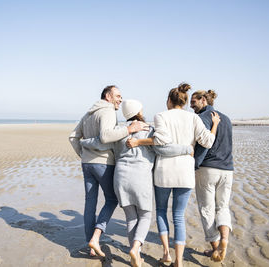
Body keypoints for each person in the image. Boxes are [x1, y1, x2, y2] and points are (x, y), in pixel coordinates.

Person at [80, 99, 193, 267]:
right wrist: (187, 149)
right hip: (141, 178)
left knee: (131, 217)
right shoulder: (148, 130)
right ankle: (135, 248)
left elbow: (100, 143)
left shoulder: (119, 131)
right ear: (140, 111)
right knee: (145, 215)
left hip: (120, 177)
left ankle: (136, 256)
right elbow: (164, 148)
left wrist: (83, 142)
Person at [126, 83, 220, 267]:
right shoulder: (193, 118)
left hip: (164, 173)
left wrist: (138, 142)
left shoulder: (161, 116)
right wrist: (214, 125)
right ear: (184, 102)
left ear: (169, 100)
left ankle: (166, 254)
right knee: (178, 216)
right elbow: (208, 142)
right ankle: (178, 261)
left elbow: (160, 140)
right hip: (185, 173)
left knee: (161, 211)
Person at [68, 86, 149, 257]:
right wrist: (129, 129)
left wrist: (84, 155)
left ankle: (91, 244)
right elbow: (106, 136)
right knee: (111, 200)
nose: (120, 99)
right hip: (104, 163)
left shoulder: (88, 113)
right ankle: (95, 240)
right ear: (108, 96)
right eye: (118, 96)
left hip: (87, 164)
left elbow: (73, 137)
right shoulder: (108, 111)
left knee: (90, 203)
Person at [190, 90, 234, 262]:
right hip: (227, 169)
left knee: (207, 209)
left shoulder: (202, 118)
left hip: (208, 169)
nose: (191, 105)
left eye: (194, 102)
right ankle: (224, 238)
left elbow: (202, 145)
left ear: (203, 100)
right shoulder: (227, 118)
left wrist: (194, 165)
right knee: (222, 207)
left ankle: (216, 248)